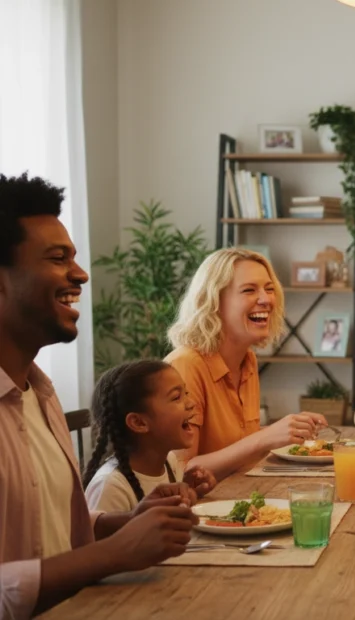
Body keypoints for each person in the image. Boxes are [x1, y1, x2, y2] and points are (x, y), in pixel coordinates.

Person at [0, 172, 197, 618]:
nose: (81, 273)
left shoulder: (40, 393)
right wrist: (113, 554)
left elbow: (48, 529)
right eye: (57, 258)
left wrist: (124, 525)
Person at [166, 248, 328, 481]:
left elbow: (235, 443)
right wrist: (265, 437)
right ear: (213, 301)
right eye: (249, 290)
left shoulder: (247, 359)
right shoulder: (184, 366)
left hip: (239, 497)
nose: (266, 299)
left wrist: (286, 432)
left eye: (269, 289)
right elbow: (178, 472)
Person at [83, 360, 218, 513]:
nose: (191, 403)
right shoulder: (111, 486)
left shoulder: (170, 462)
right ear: (139, 422)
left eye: (186, 394)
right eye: (176, 397)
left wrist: (191, 492)